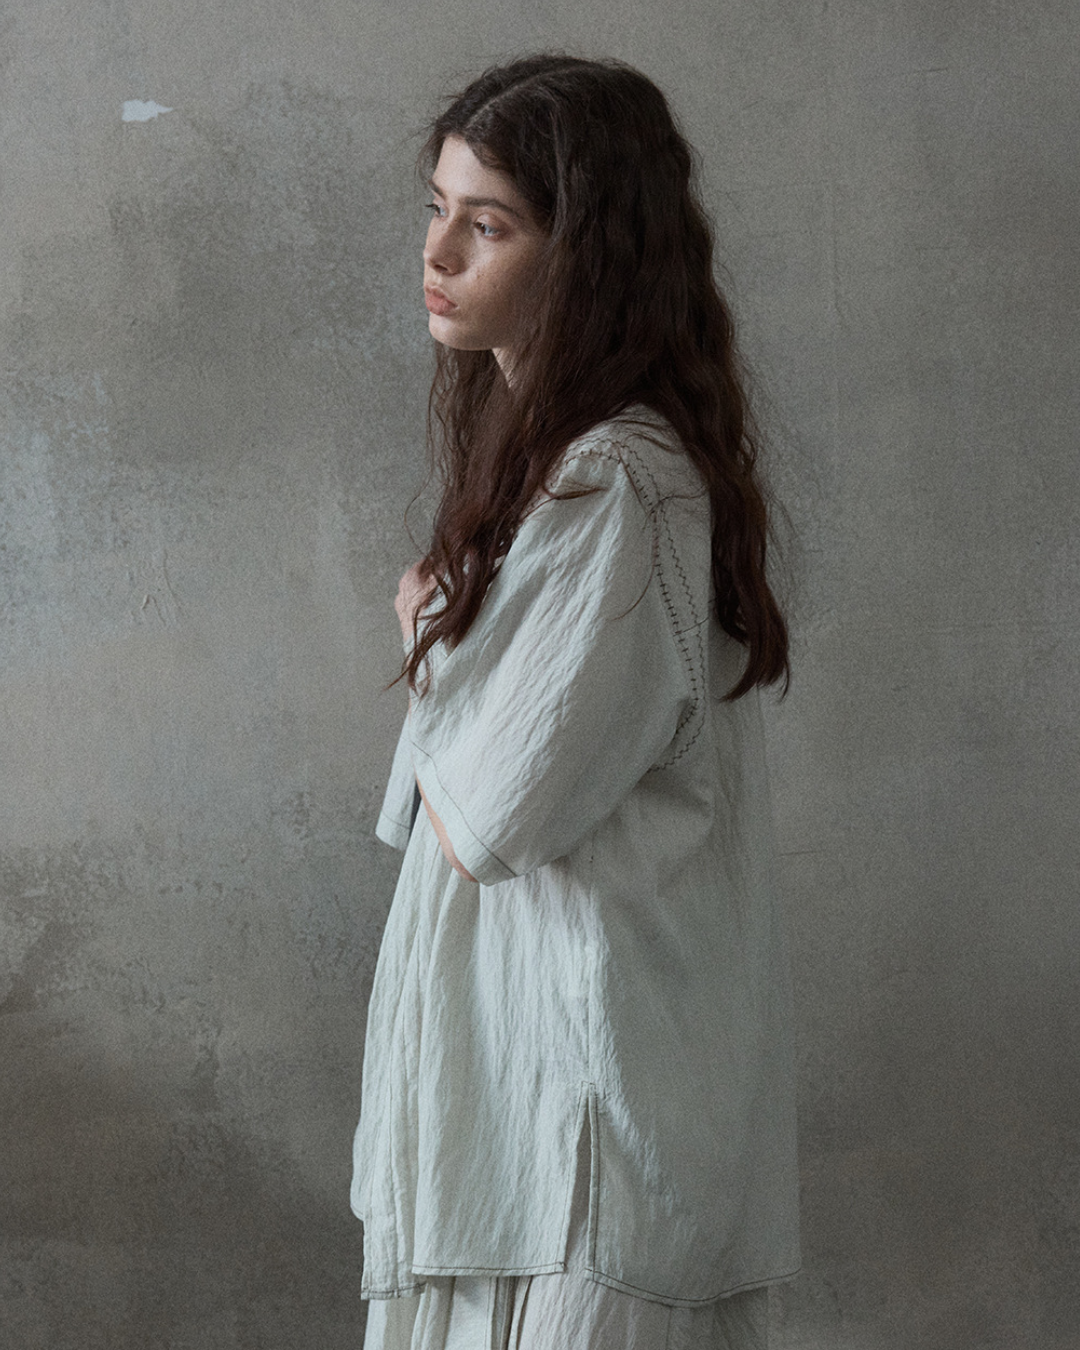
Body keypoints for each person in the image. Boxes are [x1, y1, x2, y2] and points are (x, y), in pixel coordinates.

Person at [352, 55, 800, 1350]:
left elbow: (482, 820)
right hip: (532, 1128)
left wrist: (428, 633)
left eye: (487, 224)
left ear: (586, 256)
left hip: (583, 1131)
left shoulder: (617, 488)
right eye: (435, 207)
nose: (438, 251)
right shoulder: (563, 468)